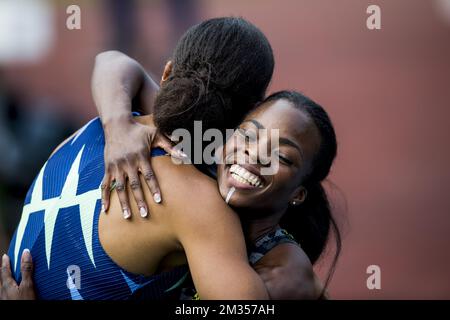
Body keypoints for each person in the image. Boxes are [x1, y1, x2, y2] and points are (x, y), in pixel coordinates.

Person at [2, 17, 275, 300]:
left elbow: (112, 61)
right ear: (254, 113)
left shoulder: (88, 132)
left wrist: (117, 124)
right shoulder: (200, 203)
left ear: (167, 73)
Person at [1, 90, 341, 300]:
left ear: (299, 194)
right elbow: (116, 64)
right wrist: (121, 125)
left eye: (282, 157)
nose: (254, 155)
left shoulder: (281, 276)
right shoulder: (206, 173)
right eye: (248, 135)